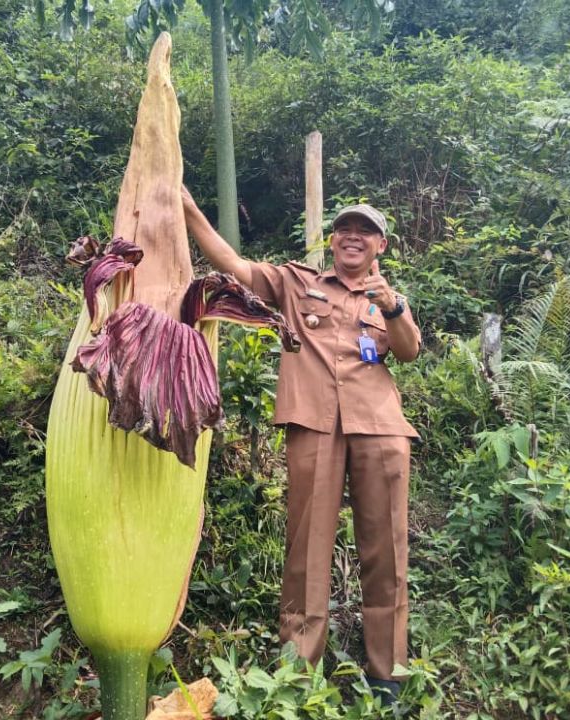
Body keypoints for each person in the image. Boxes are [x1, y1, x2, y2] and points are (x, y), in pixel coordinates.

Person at [181, 187, 421, 704]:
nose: (353, 236)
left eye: (366, 231)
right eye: (345, 229)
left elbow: (408, 351)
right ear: (333, 240)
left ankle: (388, 675)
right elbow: (234, 266)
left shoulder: (388, 299)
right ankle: (298, 670)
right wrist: (190, 211)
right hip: (314, 425)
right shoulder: (297, 282)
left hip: (380, 429)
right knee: (307, 548)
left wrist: (394, 307)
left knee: (387, 552)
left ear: (380, 244)